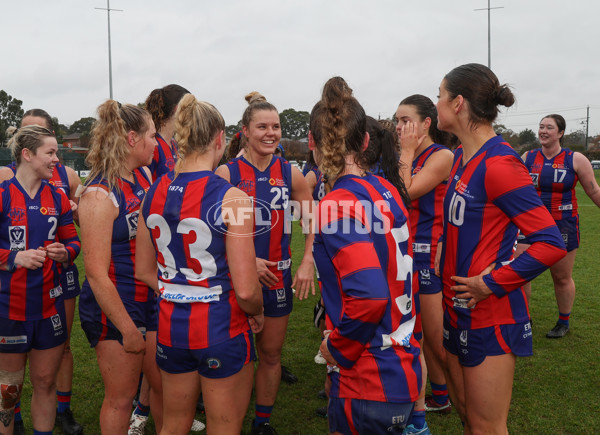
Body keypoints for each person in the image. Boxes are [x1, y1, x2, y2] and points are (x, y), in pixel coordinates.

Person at [435, 63, 567, 433]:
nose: (437, 102)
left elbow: (550, 242)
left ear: (458, 103)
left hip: (488, 312)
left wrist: (490, 283)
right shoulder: (462, 156)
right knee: (467, 417)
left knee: (486, 427)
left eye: (440, 95)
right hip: (456, 305)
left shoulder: (500, 164)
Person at [134, 93, 264, 435]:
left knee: (173, 424)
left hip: (171, 325)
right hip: (221, 326)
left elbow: (144, 270)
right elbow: (248, 289)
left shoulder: (153, 192)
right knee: (224, 426)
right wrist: (258, 311)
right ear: (219, 139)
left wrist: (180, 292)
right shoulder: (233, 197)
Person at [310, 76, 421, 434]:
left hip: (369, 375)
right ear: (367, 141)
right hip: (401, 361)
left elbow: (371, 296)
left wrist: (337, 350)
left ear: (313, 144)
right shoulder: (386, 189)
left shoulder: (338, 204)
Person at [215, 91, 315, 435]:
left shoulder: (291, 173)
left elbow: (311, 222)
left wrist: (307, 261)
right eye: (262, 126)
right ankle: (231, 419)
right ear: (245, 130)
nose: (271, 133)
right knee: (238, 357)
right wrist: (244, 260)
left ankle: (263, 421)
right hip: (234, 281)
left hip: (277, 279)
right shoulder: (226, 173)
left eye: (276, 126)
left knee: (271, 354)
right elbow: (212, 231)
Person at [77, 100, 163, 433]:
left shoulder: (142, 175)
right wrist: (127, 329)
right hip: (115, 308)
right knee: (121, 398)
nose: (156, 143)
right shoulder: (99, 195)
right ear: (131, 138)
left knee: (162, 385)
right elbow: (96, 274)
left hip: (149, 299)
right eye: (152, 136)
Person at [0, 109, 83, 435]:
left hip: (49, 307)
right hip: (9, 309)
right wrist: (13, 258)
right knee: (9, 388)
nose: (56, 160)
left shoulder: (57, 197)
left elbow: (74, 241)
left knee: (46, 382)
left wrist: (66, 252)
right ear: (27, 154)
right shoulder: (4, 195)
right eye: (50, 153)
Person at [395, 95, 455, 433]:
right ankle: (439, 395)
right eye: (397, 120)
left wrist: (404, 153)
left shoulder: (442, 155)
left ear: (427, 123)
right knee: (413, 333)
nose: (400, 127)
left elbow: (407, 191)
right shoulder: (403, 155)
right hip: (402, 254)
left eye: (406, 120)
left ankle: (460, 393)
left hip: (428, 256)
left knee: (435, 336)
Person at [516, 114, 600, 338]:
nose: (543, 131)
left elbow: (593, 191)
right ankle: (524, 319)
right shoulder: (528, 157)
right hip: (530, 224)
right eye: (541, 127)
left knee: (561, 277)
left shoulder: (576, 159)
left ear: (560, 133)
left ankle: (563, 322)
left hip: (563, 225)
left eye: (549, 128)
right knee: (519, 273)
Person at [145, 84, 190, 182]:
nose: (193, 115)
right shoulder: (153, 145)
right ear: (178, 109)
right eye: (191, 108)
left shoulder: (175, 144)